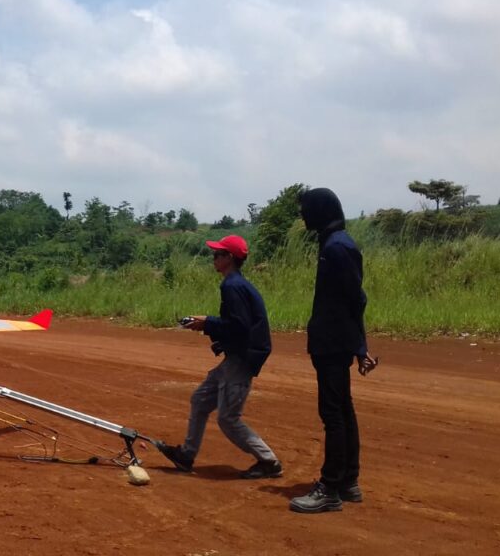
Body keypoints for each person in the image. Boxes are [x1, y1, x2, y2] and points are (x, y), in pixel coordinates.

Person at [155, 235, 282, 479]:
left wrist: (207, 323)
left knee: (227, 419)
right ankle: (187, 455)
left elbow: (240, 326)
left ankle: (269, 462)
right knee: (201, 400)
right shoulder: (236, 284)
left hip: (242, 359)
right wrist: (207, 323)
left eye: (218, 255)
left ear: (230, 258)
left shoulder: (232, 286)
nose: (214, 259)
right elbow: (238, 324)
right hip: (236, 356)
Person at [290, 188, 379, 514]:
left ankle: (330, 488)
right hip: (335, 339)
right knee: (343, 409)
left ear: (321, 211)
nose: (303, 216)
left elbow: (357, 298)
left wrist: (359, 344)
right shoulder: (333, 243)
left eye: (307, 210)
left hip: (334, 342)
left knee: (334, 414)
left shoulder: (338, 247)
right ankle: (348, 481)